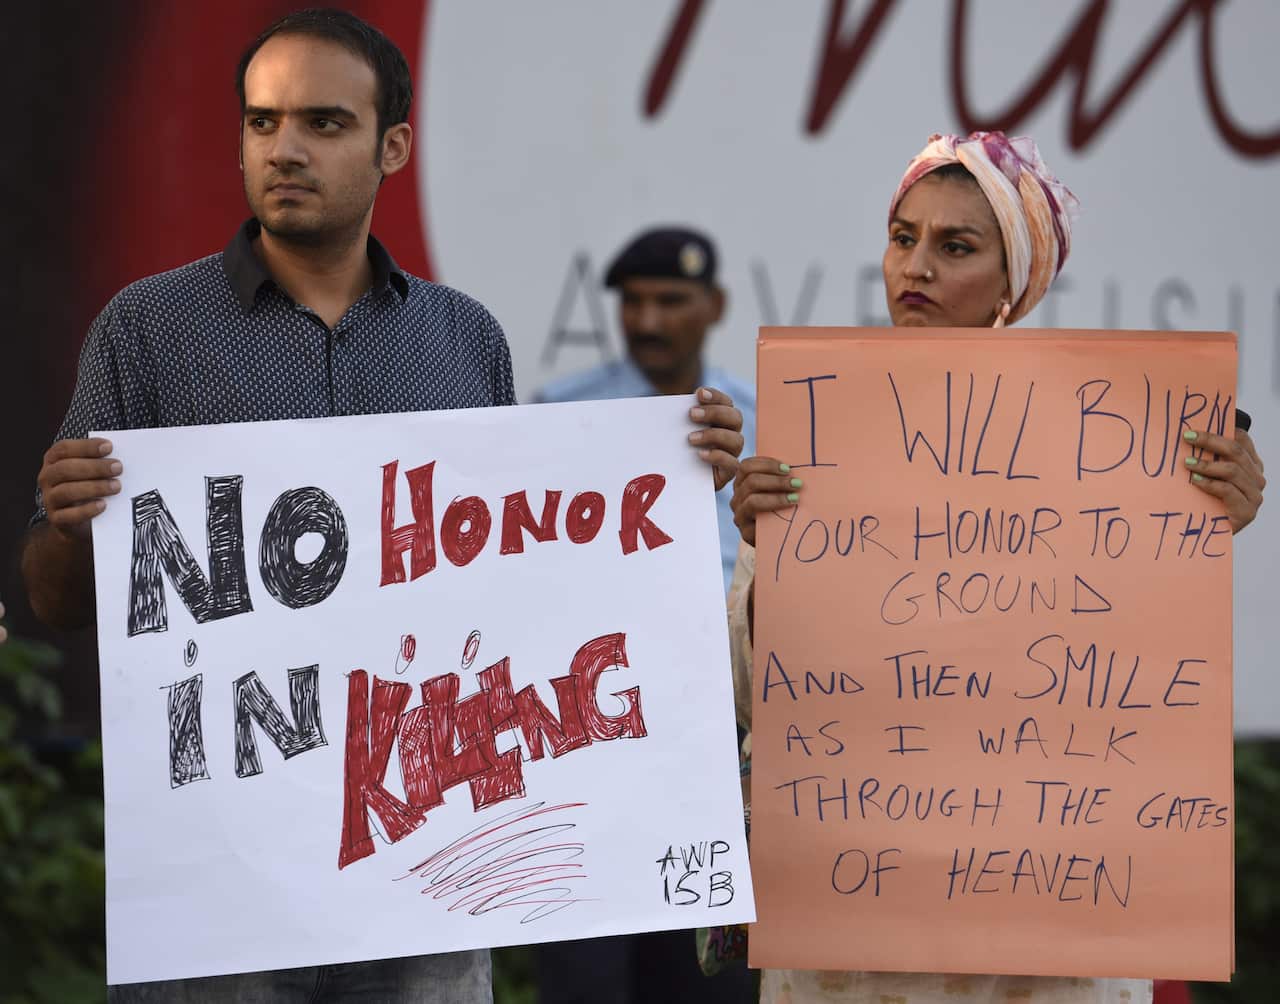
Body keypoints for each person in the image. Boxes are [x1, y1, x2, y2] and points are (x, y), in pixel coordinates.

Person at [19, 9, 744, 1002]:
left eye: (323, 122)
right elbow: (55, 601)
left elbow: (526, 593)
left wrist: (661, 488)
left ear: (392, 145)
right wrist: (70, 524)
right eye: (261, 121)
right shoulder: (145, 331)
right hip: (223, 884)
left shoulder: (463, 339)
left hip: (427, 866)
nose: (284, 149)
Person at [727, 132, 1265, 1004]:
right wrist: (768, 562)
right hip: (852, 942)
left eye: (956, 246)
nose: (918, 267)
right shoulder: (821, 437)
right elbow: (754, 696)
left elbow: (1142, 675)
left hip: (1049, 946)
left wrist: (1217, 511)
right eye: (903, 237)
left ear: (1014, 281)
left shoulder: (1116, 454)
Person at [536, 226, 756, 594]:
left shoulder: (760, 413)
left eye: (670, 301)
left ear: (716, 305)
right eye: (632, 301)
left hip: (739, 638)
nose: (647, 323)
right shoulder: (561, 410)